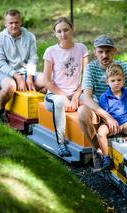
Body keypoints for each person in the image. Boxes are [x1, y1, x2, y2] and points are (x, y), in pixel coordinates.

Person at [43, 17, 88, 157]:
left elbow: (86, 77)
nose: (63, 34)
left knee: (92, 100)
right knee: (59, 102)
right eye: (59, 31)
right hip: (55, 95)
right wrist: (64, 97)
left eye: (66, 30)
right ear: (55, 34)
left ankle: (98, 142)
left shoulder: (81, 48)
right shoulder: (50, 51)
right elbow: (47, 82)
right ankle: (61, 143)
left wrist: (76, 96)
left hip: (76, 93)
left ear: (72, 29)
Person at [0, 9, 44, 123]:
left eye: (16, 22)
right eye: (11, 23)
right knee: (11, 86)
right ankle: (0, 110)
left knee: (48, 80)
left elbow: (33, 58)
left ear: (21, 22)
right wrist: (17, 77)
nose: (14, 25)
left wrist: (29, 77)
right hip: (5, 73)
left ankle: (41, 111)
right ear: (5, 24)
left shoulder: (30, 36)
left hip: (26, 72)